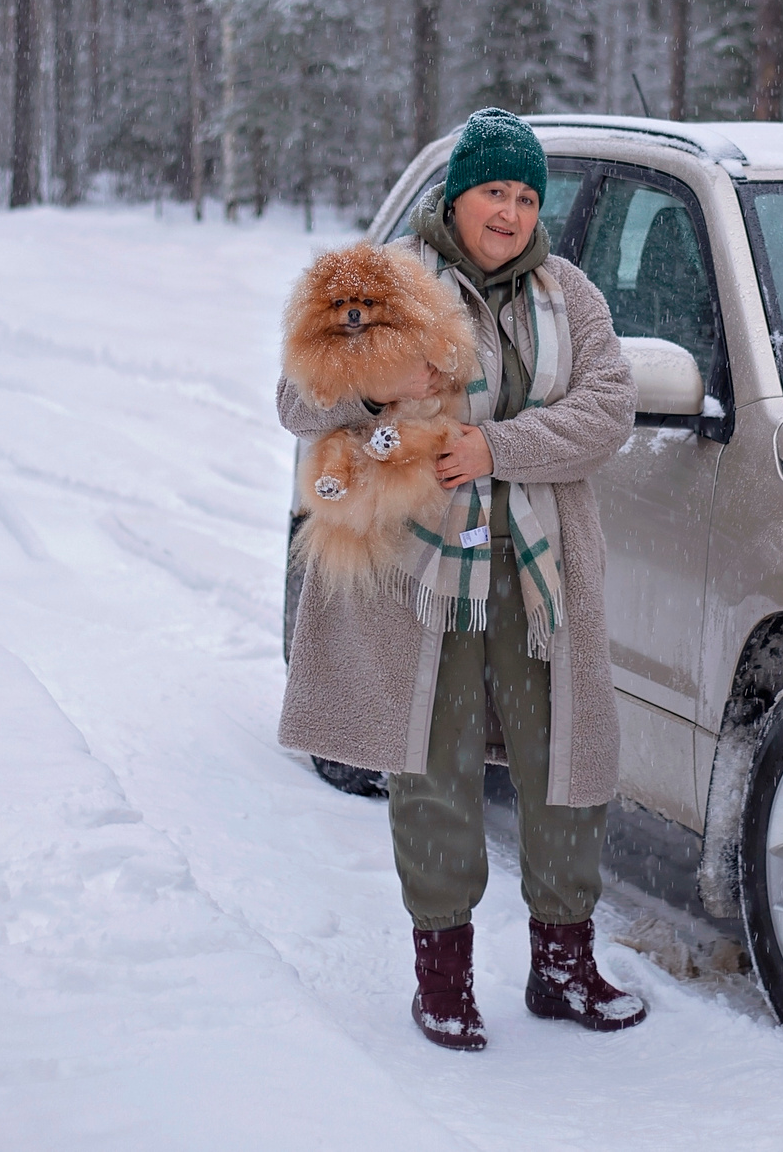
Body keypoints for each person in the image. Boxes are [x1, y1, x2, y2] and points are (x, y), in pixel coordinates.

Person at [277, 108, 643, 1052]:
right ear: (458, 196)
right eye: (495, 191)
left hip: (541, 573)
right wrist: (373, 387)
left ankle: (563, 964)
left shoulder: (574, 299)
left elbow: (609, 410)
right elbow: (295, 397)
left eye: (526, 197)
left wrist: (496, 446)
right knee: (432, 773)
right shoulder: (389, 282)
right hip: (422, 581)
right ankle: (443, 976)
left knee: (565, 765)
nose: (511, 212)